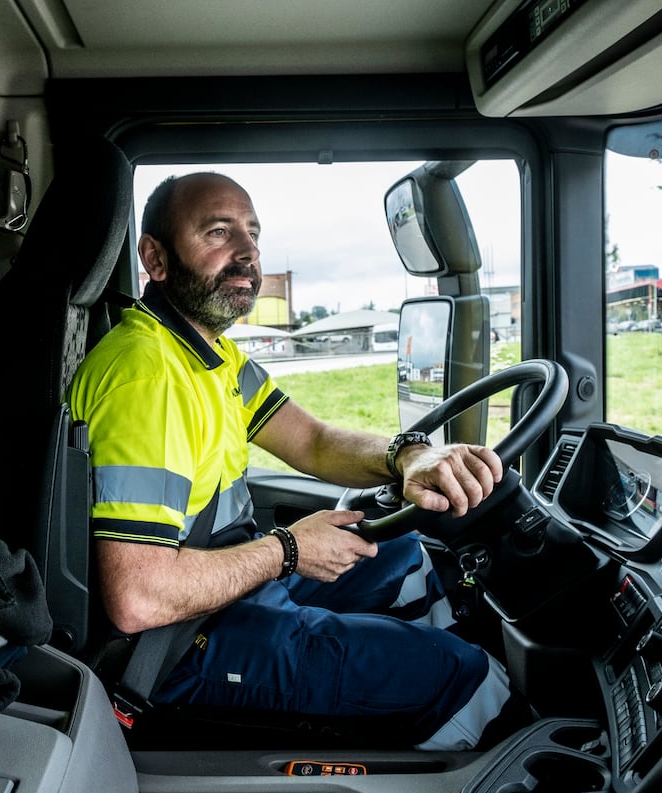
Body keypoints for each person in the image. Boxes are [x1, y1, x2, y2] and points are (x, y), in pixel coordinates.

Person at [67, 172, 515, 750]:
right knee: (461, 673)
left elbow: (313, 441)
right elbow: (139, 599)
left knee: (409, 560)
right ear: (154, 257)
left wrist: (409, 458)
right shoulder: (148, 378)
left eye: (252, 235)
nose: (247, 254)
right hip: (175, 646)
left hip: (219, 590)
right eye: (218, 232)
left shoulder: (209, 353)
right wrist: (290, 550)